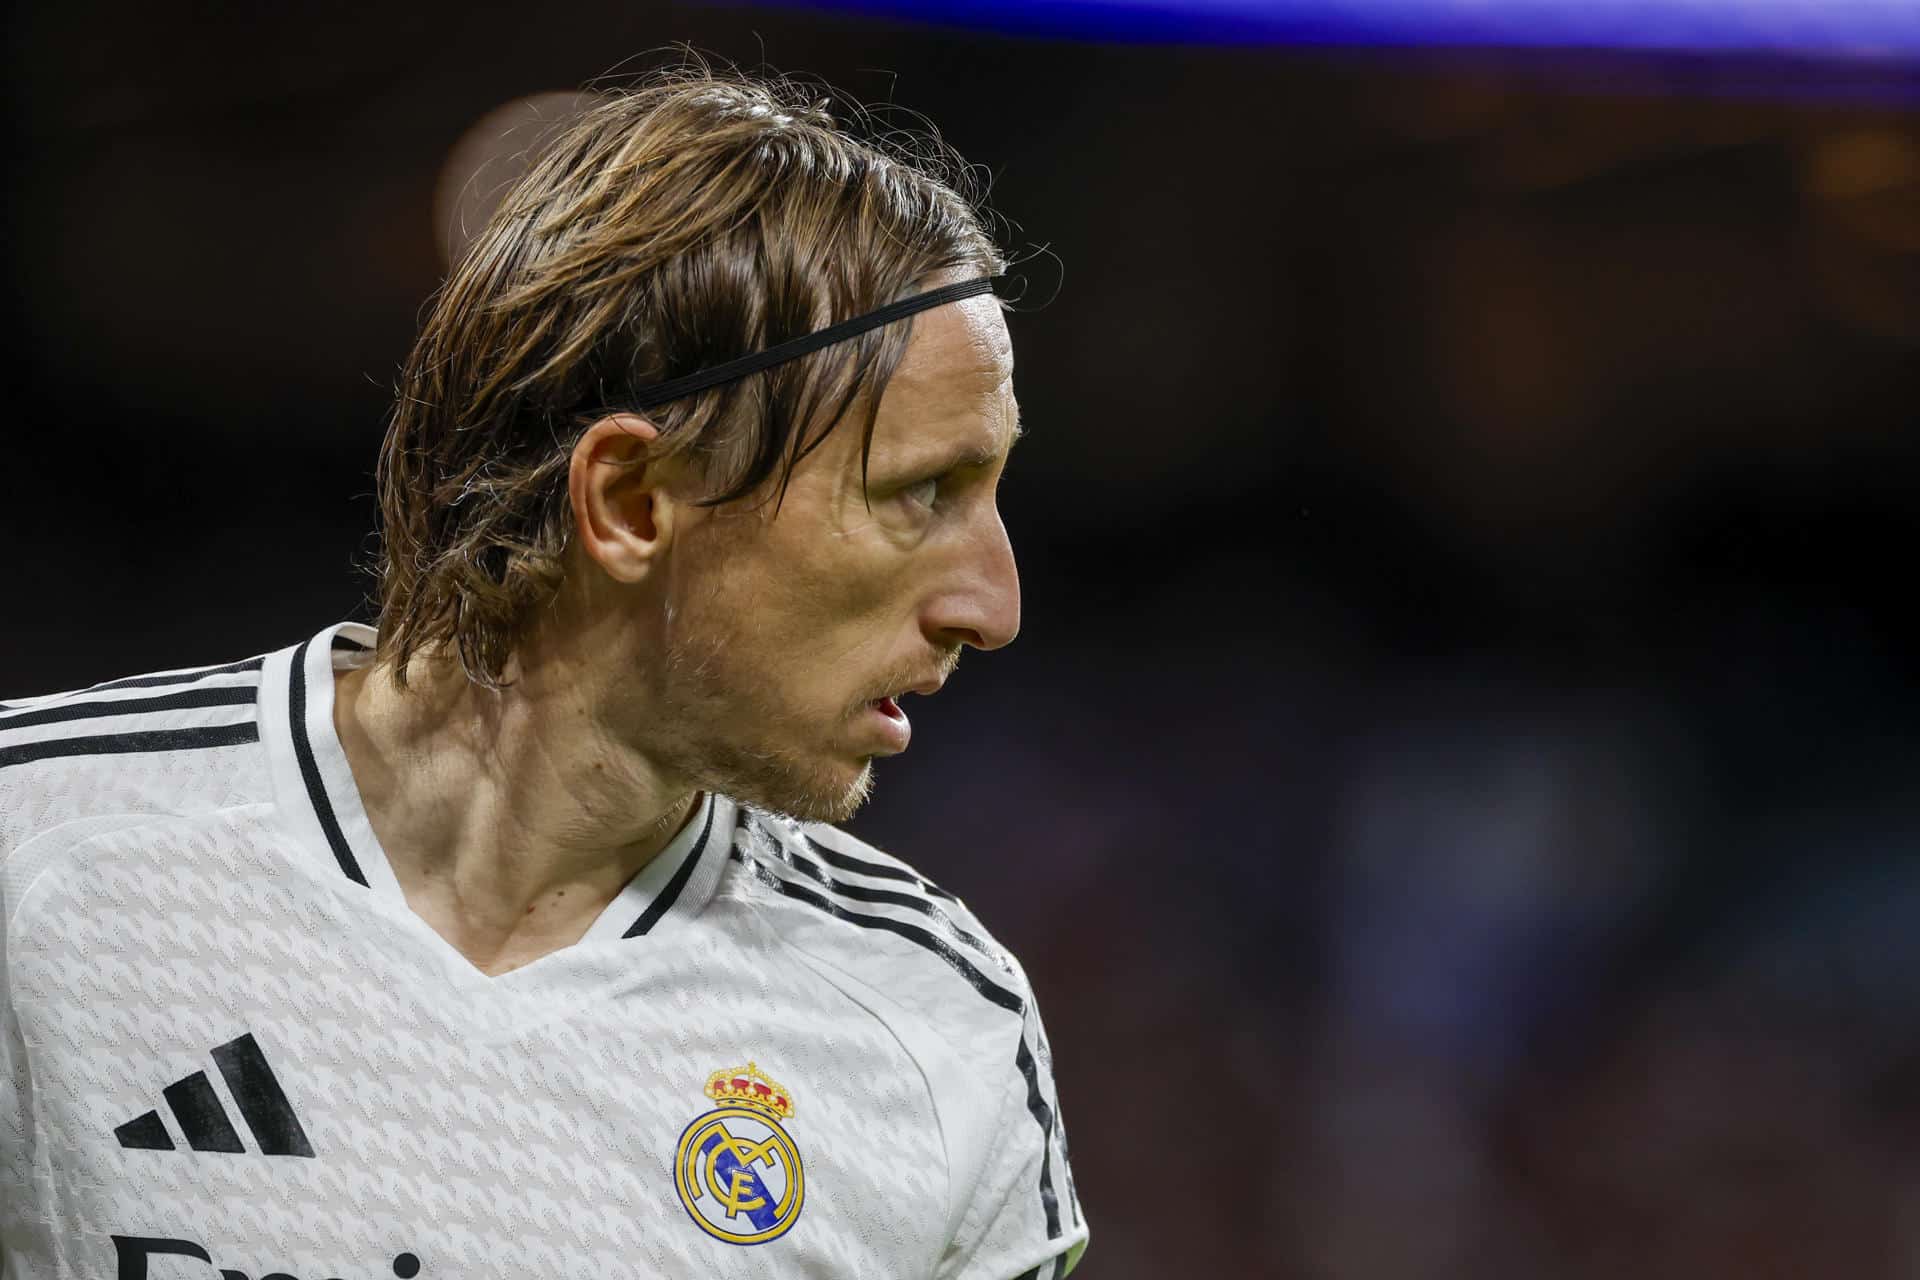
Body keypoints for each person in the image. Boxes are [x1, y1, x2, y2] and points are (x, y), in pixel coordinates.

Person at [0, 66, 1087, 1279]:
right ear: (629, 501)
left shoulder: (932, 1032)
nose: (993, 606)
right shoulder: (36, 862)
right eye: (918, 493)